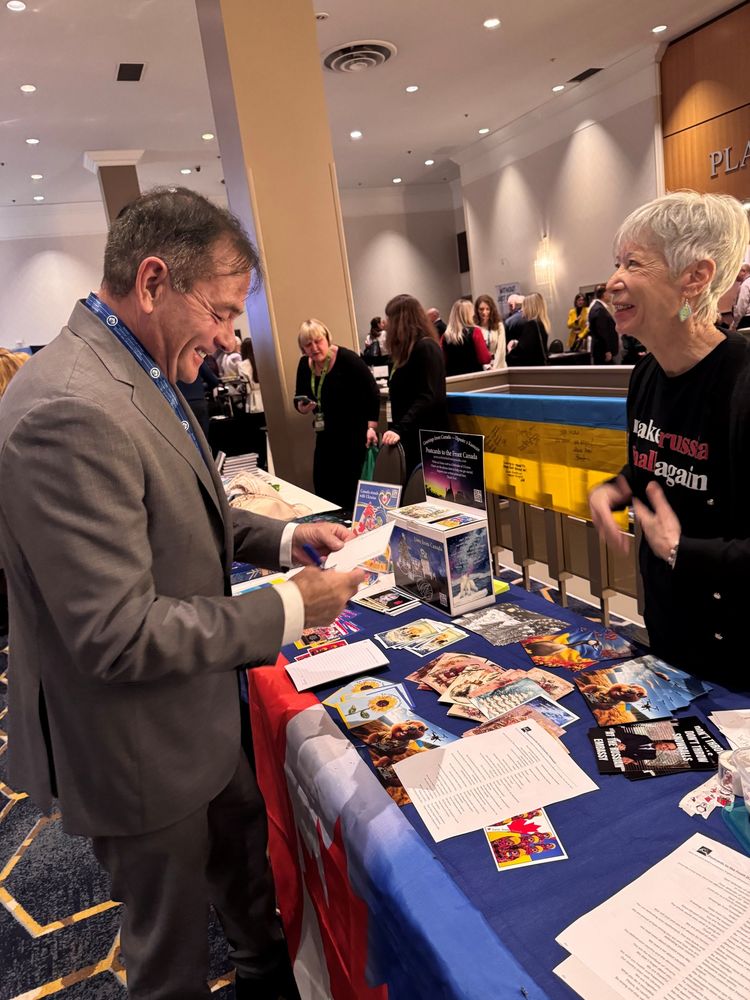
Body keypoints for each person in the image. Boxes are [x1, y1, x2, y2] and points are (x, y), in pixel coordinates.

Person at [0, 186, 366, 1000]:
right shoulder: (68, 407)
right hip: (135, 745)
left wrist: (280, 538)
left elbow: (180, 507)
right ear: (156, 281)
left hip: (200, 717)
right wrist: (288, 607)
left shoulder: (133, 368)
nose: (231, 339)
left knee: (248, 901)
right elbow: (116, 634)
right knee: (170, 961)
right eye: (225, 313)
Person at [589, 190, 750, 690]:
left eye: (633, 263)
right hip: (668, 638)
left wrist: (684, 550)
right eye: (616, 263)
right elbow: (651, 466)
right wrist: (613, 490)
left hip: (737, 660)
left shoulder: (743, 384)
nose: (612, 281)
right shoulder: (646, 376)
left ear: (695, 277)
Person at [294, 318, 379, 511]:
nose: (314, 348)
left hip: (354, 435)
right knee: (324, 486)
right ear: (303, 348)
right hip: (326, 436)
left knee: (351, 491)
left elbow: (371, 391)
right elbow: (298, 398)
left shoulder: (347, 359)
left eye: (318, 341)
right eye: (308, 344)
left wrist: (371, 427)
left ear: (327, 339)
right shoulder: (304, 365)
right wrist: (303, 407)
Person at [381, 293, 449, 476]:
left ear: (401, 321)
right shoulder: (404, 353)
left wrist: (400, 428)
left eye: (390, 318)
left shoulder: (426, 348)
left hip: (425, 439)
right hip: (409, 436)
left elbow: (428, 396)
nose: (386, 324)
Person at [441, 298, 492, 376]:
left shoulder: (445, 336)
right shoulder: (475, 331)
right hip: (473, 377)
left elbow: (442, 360)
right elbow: (484, 359)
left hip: (453, 378)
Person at [505, 292, 550, 367]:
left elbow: (521, 353)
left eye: (524, 306)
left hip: (530, 371)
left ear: (529, 307)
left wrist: (509, 353)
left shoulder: (531, 325)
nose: (522, 309)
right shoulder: (543, 323)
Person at [587, 284, 619, 364]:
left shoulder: (598, 307)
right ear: (604, 294)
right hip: (603, 351)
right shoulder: (599, 309)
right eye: (609, 293)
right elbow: (602, 332)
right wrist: (607, 350)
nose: (611, 296)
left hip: (602, 350)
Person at [475, 294, 507, 367]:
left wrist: (495, 367)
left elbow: (501, 350)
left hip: (498, 366)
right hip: (481, 367)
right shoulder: (474, 327)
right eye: (481, 309)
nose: (484, 312)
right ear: (477, 310)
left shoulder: (498, 326)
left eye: (487, 309)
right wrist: (486, 367)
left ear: (491, 310)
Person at [733, 263, 750, 330]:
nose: (734, 275)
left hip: (746, 321)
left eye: (735, 271)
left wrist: (735, 325)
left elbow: (741, 307)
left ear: (743, 271)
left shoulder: (745, 285)